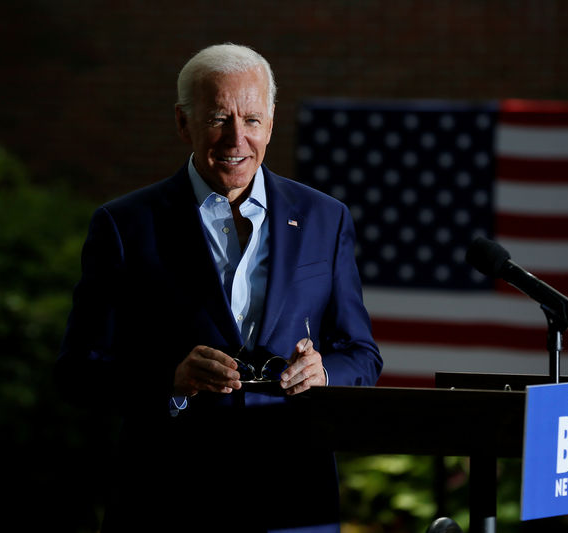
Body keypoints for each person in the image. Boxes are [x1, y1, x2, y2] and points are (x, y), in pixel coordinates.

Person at [56, 43, 382, 532]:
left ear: (271, 123)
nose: (237, 138)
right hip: (166, 499)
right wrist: (170, 377)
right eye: (217, 119)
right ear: (182, 123)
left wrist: (324, 372)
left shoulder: (325, 218)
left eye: (252, 120)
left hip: (292, 500)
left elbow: (361, 353)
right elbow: (79, 370)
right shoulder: (124, 225)